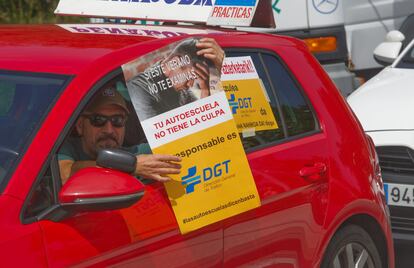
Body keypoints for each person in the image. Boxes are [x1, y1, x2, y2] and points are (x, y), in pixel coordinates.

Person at [58, 86, 182, 184]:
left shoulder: (137, 155)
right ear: (80, 126)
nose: (109, 130)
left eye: (117, 120)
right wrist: (130, 166)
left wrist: (201, 90)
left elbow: (186, 145)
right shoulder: (64, 147)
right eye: (98, 120)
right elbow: (65, 174)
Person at [127, 37, 225, 121]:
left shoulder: (182, 89)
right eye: (190, 77)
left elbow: (204, 122)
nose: (190, 85)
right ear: (175, 63)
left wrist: (205, 90)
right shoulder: (139, 88)